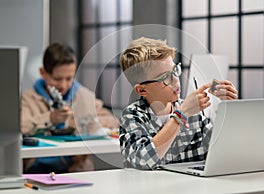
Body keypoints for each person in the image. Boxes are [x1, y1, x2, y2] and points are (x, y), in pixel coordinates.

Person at [118, 37, 238, 170]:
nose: (176, 80)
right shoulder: (132, 116)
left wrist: (231, 109)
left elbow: (225, 150)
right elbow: (144, 160)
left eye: (175, 70)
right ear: (142, 90)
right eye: (165, 77)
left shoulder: (193, 114)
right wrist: (181, 114)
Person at [21, 42, 119, 173]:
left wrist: (93, 122)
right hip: (37, 168)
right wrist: (50, 118)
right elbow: (20, 126)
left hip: (77, 167)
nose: (63, 85)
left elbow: (112, 121)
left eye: (69, 78)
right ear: (43, 73)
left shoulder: (84, 95)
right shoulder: (28, 97)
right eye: (57, 79)